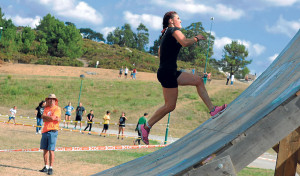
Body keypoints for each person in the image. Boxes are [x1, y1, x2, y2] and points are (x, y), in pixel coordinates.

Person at [138, 11, 227, 145]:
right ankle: (145, 127)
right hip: (168, 73)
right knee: (169, 106)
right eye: (178, 18)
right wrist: (196, 38)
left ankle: (213, 110)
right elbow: (185, 42)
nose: (181, 21)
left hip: (169, 72)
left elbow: (160, 52)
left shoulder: (166, 35)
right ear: (171, 21)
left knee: (197, 81)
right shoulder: (172, 30)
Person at [39, 94, 61, 175]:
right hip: (45, 131)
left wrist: (48, 117)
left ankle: (51, 168)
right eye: (49, 99)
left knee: (51, 150)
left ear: (55, 100)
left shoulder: (57, 108)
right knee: (45, 150)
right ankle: (46, 166)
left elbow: (49, 118)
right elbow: (43, 118)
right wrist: (51, 117)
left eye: (52, 99)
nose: (51, 100)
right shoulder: (46, 108)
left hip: (53, 131)